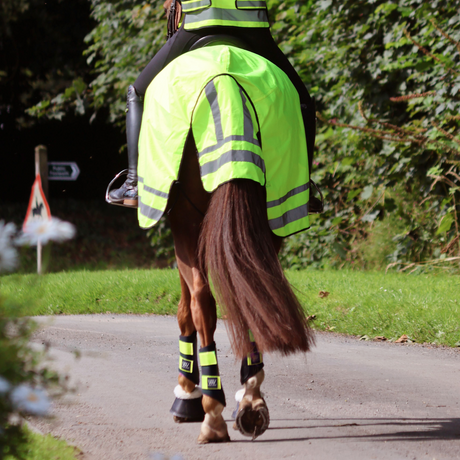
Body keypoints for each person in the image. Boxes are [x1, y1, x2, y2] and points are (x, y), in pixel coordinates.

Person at [107, 0, 315, 206]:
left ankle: (134, 183)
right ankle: (304, 186)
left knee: (137, 93)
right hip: (253, 25)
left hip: (197, 24)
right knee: (301, 99)